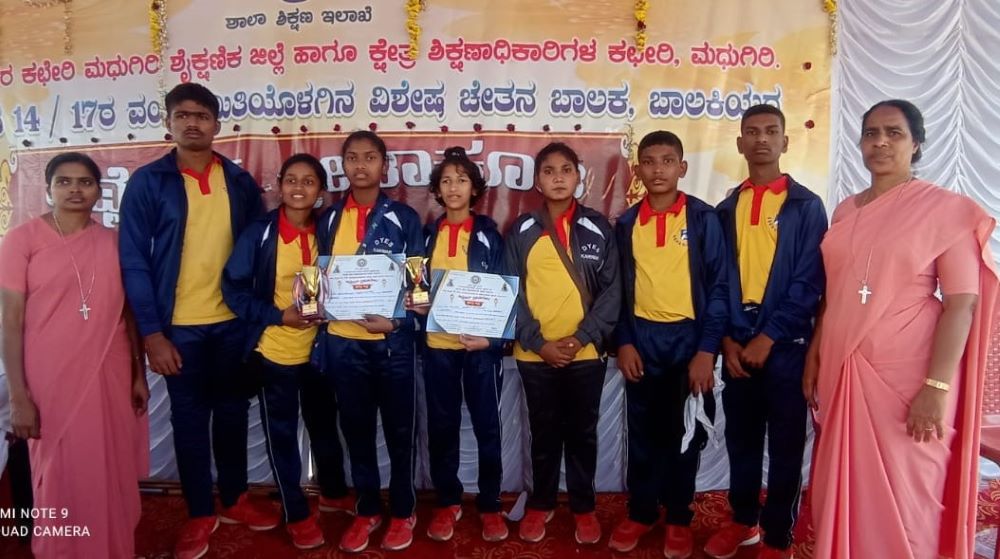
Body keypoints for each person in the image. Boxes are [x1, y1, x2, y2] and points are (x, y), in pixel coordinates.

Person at [806, 100, 999, 559]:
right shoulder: (845, 212)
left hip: (910, 376)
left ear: (916, 144)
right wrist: (814, 354)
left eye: (894, 133)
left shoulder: (945, 210)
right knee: (844, 485)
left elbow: (962, 304)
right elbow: (834, 295)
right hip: (842, 367)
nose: (880, 142)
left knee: (910, 494)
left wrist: (935, 387)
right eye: (871, 133)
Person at [118, 82, 274, 559]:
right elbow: (133, 261)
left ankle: (233, 498)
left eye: (202, 115)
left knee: (232, 413)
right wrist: (152, 333)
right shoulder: (149, 182)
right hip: (178, 327)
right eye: (182, 115)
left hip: (232, 323)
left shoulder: (239, 181)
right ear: (168, 123)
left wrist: (258, 319)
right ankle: (201, 512)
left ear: (216, 125)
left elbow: (261, 251)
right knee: (189, 420)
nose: (192, 123)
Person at [0, 153, 149, 558]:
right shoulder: (22, 240)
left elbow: (129, 313)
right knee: (59, 466)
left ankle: (112, 546)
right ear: (48, 189)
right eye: (63, 182)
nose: (75, 189)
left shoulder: (114, 242)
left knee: (109, 463)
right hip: (49, 373)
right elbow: (9, 320)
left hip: (111, 368)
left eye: (84, 182)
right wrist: (18, 395)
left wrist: (139, 373)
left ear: (99, 192)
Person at [706, 105, 827, 559]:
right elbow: (715, 282)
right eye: (752, 132)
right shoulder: (724, 209)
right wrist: (727, 340)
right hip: (737, 343)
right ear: (739, 143)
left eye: (771, 131)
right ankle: (743, 522)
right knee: (741, 440)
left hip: (786, 347)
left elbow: (809, 282)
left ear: (785, 141)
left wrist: (769, 335)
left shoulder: (806, 206)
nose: (761, 139)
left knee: (787, 446)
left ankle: (777, 536)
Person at [222, 154, 356, 550]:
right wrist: (276, 315)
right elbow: (233, 289)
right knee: (281, 435)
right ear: (279, 185)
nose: (299, 188)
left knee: (325, 428)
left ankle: (332, 493)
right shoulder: (259, 233)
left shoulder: (328, 231)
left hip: (318, 353)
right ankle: (296, 511)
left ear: (320, 191)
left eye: (309, 181)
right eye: (291, 180)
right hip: (274, 352)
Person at [608, 131, 728, 558]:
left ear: (682, 168)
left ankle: (678, 515)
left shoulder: (703, 219)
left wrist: (706, 351)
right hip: (642, 339)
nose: (658, 169)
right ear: (637, 170)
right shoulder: (625, 224)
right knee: (642, 434)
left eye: (667, 161)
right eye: (650, 162)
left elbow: (718, 289)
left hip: (688, 342)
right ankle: (642, 511)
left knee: (685, 434)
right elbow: (616, 291)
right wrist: (623, 341)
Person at [313, 130, 425, 553]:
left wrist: (395, 324)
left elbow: (418, 288)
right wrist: (315, 304)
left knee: (399, 433)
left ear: (385, 166)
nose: (361, 165)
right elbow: (318, 276)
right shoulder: (327, 218)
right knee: (356, 431)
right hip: (343, 342)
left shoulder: (404, 218)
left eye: (371, 158)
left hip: (392, 344)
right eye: (353, 158)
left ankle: (402, 511)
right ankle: (366, 509)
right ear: (342, 166)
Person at [504, 142, 620, 545]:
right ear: (537, 180)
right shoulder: (520, 230)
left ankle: (584, 506)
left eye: (565, 170)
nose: (557, 177)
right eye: (549, 170)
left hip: (586, 353)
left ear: (579, 177)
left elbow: (612, 292)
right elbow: (509, 293)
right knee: (544, 431)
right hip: (536, 356)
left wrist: (581, 337)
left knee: (583, 433)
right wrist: (540, 343)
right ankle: (542, 503)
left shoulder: (598, 227)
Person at [412, 147, 508, 543]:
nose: (453, 188)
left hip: (480, 348)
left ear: (474, 189)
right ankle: (448, 500)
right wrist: (414, 303)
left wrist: (493, 339)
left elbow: (505, 292)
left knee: (487, 427)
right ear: (436, 189)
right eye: (446, 181)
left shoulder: (489, 236)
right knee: (442, 427)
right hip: (438, 346)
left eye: (461, 180)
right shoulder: (425, 235)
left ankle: (490, 504)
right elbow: (415, 289)